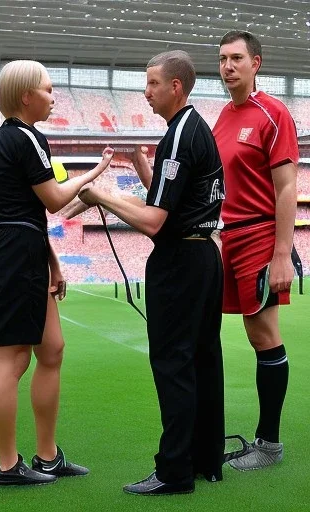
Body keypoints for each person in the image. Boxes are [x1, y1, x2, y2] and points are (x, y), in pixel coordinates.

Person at [78, 50, 225, 495]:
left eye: (152, 84)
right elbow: (176, 201)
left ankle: (174, 471)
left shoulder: (178, 136)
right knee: (203, 360)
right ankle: (206, 461)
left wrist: (101, 196)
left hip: (179, 263)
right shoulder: (193, 129)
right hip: (204, 259)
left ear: (175, 86)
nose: (146, 93)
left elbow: (155, 221)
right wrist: (146, 170)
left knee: (173, 363)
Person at [0, 60, 114, 486]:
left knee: (51, 350)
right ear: (26, 96)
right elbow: (54, 201)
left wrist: (52, 264)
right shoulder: (27, 137)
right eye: (49, 89)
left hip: (20, 251)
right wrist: (94, 174)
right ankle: (7, 466)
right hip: (17, 257)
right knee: (13, 360)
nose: (54, 98)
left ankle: (48, 457)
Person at [213, 31, 299, 471]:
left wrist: (282, 253)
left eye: (237, 58)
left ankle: (269, 445)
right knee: (250, 335)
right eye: (223, 58)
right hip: (227, 237)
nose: (228, 66)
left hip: (260, 237)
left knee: (265, 336)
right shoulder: (222, 117)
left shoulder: (273, 112)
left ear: (256, 63)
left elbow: (287, 188)